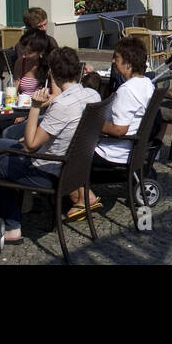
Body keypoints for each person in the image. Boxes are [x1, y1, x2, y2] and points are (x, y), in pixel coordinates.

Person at [0, 47, 100, 242]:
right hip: (74, 169)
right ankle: (5, 208)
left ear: (52, 73)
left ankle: (5, 221)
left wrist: (35, 107)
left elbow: (30, 146)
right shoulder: (92, 95)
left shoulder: (62, 105)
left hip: (48, 171)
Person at [69, 36, 156, 219]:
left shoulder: (128, 90)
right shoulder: (147, 84)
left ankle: (82, 197)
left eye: (116, 58)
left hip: (115, 152)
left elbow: (118, 129)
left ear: (128, 64)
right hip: (132, 148)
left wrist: (92, 124)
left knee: (67, 148)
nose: (113, 61)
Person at [13, 30, 53, 97]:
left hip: (42, 105)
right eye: (23, 51)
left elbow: (56, 95)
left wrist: (35, 105)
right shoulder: (21, 62)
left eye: (29, 53)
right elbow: (14, 88)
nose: (23, 56)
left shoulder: (50, 66)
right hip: (23, 105)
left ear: (41, 52)